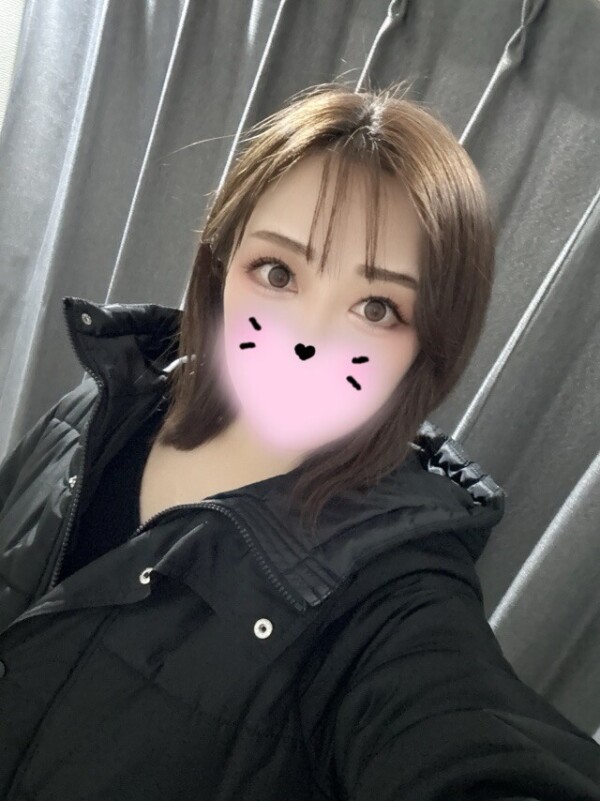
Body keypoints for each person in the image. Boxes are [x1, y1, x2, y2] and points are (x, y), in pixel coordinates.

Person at [0, 81, 598, 801]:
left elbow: (461, 733)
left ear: (427, 346)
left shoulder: (392, 589)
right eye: (278, 272)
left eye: (376, 307)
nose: (307, 339)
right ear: (221, 266)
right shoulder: (104, 400)